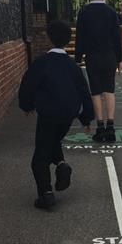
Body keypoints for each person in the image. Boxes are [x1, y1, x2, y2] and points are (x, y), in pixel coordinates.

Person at [19, 21, 94, 210]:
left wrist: (26, 105)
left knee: (40, 157)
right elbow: (83, 90)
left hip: (49, 113)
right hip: (67, 115)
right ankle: (61, 165)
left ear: (48, 39)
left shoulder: (41, 63)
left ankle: (46, 194)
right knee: (53, 141)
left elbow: (27, 85)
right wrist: (86, 117)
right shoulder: (72, 66)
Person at [74, 0, 122, 143]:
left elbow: (80, 38)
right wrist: (120, 58)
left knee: (95, 90)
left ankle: (100, 126)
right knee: (109, 89)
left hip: (92, 56)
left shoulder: (83, 12)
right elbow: (117, 37)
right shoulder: (111, 12)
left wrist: (78, 58)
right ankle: (111, 127)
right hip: (109, 55)